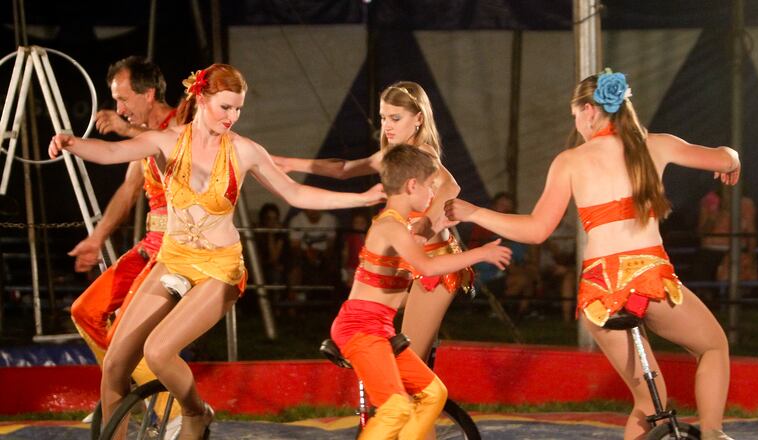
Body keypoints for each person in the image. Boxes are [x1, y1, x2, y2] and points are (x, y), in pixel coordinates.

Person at [49, 63, 385, 439]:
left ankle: (195, 411)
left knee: (158, 352)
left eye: (238, 109)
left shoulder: (244, 151)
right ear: (202, 99)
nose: (232, 117)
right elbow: (113, 152)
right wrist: (71, 144)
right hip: (173, 259)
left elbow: (296, 193)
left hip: (218, 269)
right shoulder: (166, 141)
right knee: (114, 365)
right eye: (225, 107)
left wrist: (361, 198)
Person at [444, 69, 740, 440]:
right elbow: (725, 157)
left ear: (588, 110)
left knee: (649, 402)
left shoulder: (570, 161)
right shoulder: (656, 145)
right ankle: (712, 432)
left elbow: (535, 230)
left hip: (602, 290)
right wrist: (733, 162)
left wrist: (474, 212)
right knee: (713, 346)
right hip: (649, 278)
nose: (576, 124)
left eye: (575, 115)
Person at [274, 81, 473, 366]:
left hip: (434, 266)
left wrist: (426, 224)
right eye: (383, 118)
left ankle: (373, 358)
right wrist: (290, 163)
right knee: (371, 310)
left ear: (418, 118)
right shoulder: (391, 157)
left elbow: (451, 186)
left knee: (411, 363)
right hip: (409, 266)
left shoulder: (422, 152)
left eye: (395, 118)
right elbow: (343, 169)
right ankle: (362, 348)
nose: (387, 126)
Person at [330, 144, 511, 439]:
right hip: (360, 329)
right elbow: (426, 267)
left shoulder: (401, 227)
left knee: (433, 393)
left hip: (379, 329)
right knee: (395, 408)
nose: (433, 196)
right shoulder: (390, 226)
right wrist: (481, 254)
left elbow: (417, 248)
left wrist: (438, 224)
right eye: (430, 187)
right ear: (412, 185)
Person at [67, 56, 180, 431]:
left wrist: (126, 130)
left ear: (148, 95)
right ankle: (118, 394)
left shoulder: (181, 124)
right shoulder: (143, 137)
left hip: (179, 250)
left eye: (123, 99)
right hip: (150, 245)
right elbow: (129, 190)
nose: (119, 109)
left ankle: (175, 414)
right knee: (85, 311)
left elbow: (175, 146)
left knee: (124, 335)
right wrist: (96, 239)